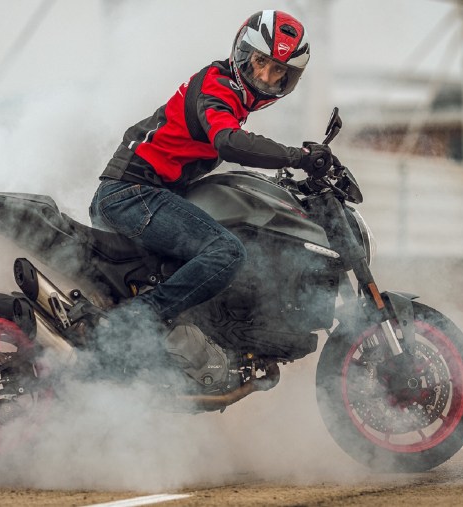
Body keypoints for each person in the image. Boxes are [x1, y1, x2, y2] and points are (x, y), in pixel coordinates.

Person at [89, 10, 333, 344]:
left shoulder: (234, 96)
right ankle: (135, 323)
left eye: (277, 71)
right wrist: (298, 157)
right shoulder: (219, 86)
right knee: (226, 253)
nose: (264, 75)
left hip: (139, 195)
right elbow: (229, 142)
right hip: (133, 193)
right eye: (261, 61)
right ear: (243, 52)